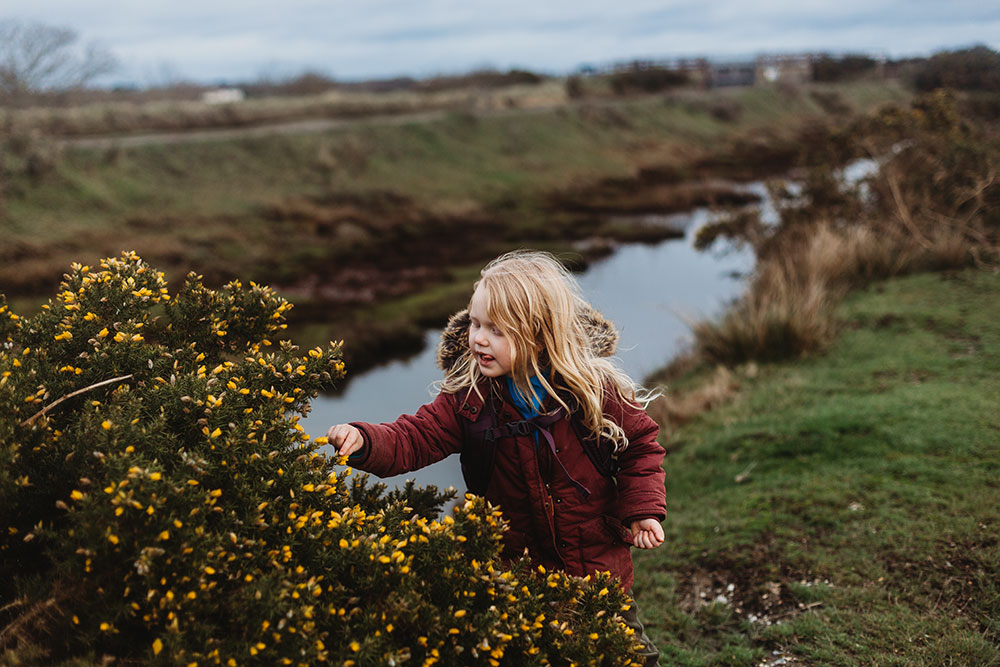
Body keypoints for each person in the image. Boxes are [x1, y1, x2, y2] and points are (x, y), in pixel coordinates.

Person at [326, 250, 666, 665]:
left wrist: (642, 509)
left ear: (540, 336)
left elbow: (641, 447)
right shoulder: (469, 399)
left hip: (597, 572)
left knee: (629, 657)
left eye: (497, 331)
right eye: (475, 323)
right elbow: (415, 437)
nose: (478, 339)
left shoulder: (592, 393)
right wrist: (364, 440)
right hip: (516, 575)